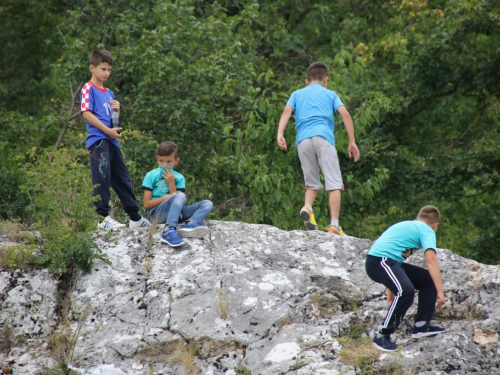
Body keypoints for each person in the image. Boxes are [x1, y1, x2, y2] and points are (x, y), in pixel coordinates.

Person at [277, 62, 360, 235]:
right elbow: (345, 114)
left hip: (303, 141)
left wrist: (280, 133)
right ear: (326, 80)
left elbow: (286, 112)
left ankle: (307, 207)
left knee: (312, 183)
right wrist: (352, 141)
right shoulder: (330, 94)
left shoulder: (297, 94)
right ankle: (334, 226)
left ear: (306, 81)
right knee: (334, 183)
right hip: (323, 137)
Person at [81, 49, 151, 230]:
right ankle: (103, 218)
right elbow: (86, 113)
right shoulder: (88, 88)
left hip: (112, 140)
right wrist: (106, 131)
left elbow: (112, 119)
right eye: (103, 69)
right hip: (99, 139)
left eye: (109, 70)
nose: (106, 73)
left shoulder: (109, 92)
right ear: (92, 67)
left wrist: (117, 111)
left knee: (123, 177)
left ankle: (135, 217)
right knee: (102, 176)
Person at [365, 205, 446, 352]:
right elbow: (431, 260)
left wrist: (391, 298)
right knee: (406, 290)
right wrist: (440, 292)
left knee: (428, 280)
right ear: (435, 225)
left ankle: (422, 325)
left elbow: (395, 271)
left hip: (385, 262)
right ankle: (383, 335)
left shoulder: (407, 226)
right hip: (380, 261)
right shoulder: (427, 229)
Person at [142, 141, 213, 247]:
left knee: (207, 203)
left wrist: (171, 183)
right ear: (157, 159)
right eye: (161, 161)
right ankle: (168, 230)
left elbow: (178, 203)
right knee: (180, 195)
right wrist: (166, 197)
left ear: (176, 161)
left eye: (169, 162)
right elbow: (147, 204)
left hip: (175, 213)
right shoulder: (151, 175)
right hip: (156, 214)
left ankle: (191, 225)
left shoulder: (179, 178)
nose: (164, 165)